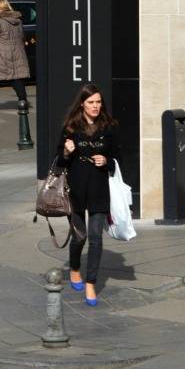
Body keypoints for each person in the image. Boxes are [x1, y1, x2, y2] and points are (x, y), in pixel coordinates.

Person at [57, 82, 119, 306]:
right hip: (76, 188)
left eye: (98, 102)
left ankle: (91, 283)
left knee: (96, 237)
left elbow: (118, 158)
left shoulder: (109, 127)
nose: (95, 106)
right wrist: (66, 151)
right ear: (82, 104)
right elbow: (59, 160)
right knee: (79, 236)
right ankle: (74, 268)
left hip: (99, 188)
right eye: (91, 102)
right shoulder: (71, 128)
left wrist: (107, 161)